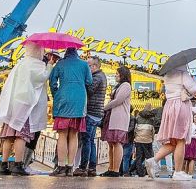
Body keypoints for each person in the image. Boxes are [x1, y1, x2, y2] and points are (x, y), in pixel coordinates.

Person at [0, 41, 52, 176]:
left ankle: (3, 165)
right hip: (25, 106)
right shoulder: (36, 65)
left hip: (12, 105)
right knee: (21, 136)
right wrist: (49, 65)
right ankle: (18, 165)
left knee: (8, 135)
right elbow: (41, 78)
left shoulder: (21, 63)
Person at [145, 65, 196, 181]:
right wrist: (195, 80)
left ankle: (153, 160)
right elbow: (194, 89)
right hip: (181, 105)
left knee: (173, 141)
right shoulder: (183, 74)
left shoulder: (168, 75)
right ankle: (178, 172)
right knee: (181, 139)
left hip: (169, 106)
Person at [47, 45, 92, 177]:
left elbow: (52, 82)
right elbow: (89, 81)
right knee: (74, 135)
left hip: (63, 100)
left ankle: (61, 166)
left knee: (62, 135)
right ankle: (70, 167)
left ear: (66, 53)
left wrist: (57, 94)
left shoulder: (60, 64)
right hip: (79, 102)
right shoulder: (84, 65)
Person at [76, 56, 107, 177]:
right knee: (91, 141)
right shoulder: (101, 76)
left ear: (94, 66)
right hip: (96, 113)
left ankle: (83, 167)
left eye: (88, 65)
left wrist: (83, 81)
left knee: (86, 141)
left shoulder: (96, 77)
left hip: (91, 112)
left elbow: (89, 90)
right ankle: (92, 167)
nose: (86, 67)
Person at [99, 65, 132, 177]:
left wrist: (105, 107)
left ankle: (116, 169)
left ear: (122, 75)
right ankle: (111, 168)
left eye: (117, 73)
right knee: (111, 143)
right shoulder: (119, 86)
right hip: (112, 117)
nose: (115, 75)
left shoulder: (126, 86)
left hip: (120, 117)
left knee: (117, 142)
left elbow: (118, 100)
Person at [133, 104, 158, 177]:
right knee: (149, 157)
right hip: (148, 141)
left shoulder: (138, 116)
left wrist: (136, 137)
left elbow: (135, 129)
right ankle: (149, 172)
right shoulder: (152, 118)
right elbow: (153, 131)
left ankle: (140, 173)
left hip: (138, 140)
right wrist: (152, 139)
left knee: (139, 157)